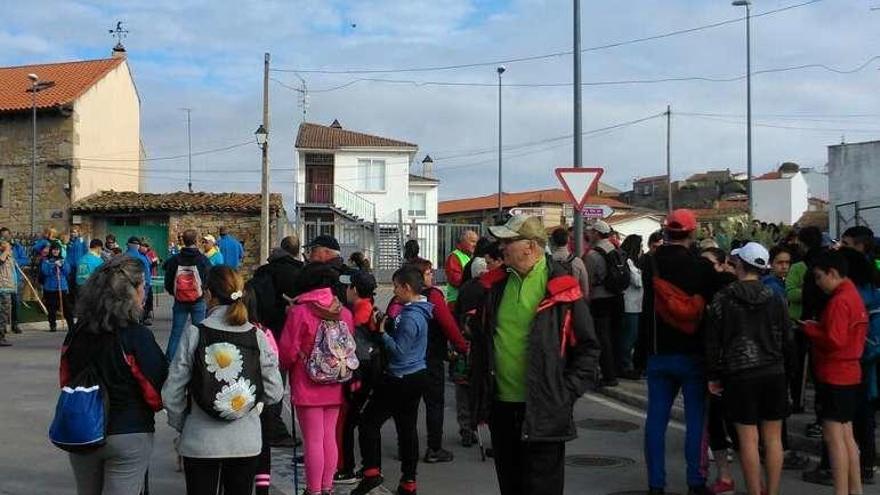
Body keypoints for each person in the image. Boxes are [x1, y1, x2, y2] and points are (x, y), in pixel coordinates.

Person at [470, 215, 600, 495]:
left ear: (530, 246)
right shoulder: (495, 286)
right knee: (511, 487)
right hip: (501, 408)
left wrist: (564, 393)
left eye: (508, 241)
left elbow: (588, 349)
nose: (501, 247)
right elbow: (482, 341)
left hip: (544, 410)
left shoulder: (562, 286)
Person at [162, 265, 284, 495]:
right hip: (244, 440)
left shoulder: (195, 333)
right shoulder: (256, 335)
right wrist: (250, 407)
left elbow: (172, 391)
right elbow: (275, 391)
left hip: (201, 438)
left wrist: (183, 423)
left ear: (208, 294)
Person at [62, 256, 168, 495]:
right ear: (131, 293)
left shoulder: (77, 333)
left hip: (83, 428)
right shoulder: (136, 335)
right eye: (142, 287)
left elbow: (66, 379)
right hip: (127, 430)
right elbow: (156, 391)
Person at [641, 209, 720, 495]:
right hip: (693, 352)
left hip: (657, 351)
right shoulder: (701, 267)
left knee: (656, 419)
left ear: (665, 232)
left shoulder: (649, 262)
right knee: (696, 420)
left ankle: (656, 484)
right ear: (692, 232)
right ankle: (695, 482)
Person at [705, 242, 793, 495]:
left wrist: (713, 375)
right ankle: (773, 491)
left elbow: (713, 341)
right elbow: (787, 339)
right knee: (774, 440)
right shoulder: (775, 298)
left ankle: (755, 491)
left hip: (740, 374)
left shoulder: (724, 297)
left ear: (740, 265)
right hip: (774, 371)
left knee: (748, 441)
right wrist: (790, 372)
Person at [351, 266, 432, 495]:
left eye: (396, 287)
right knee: (407, 428)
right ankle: (409, 482)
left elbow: (399, 350)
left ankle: (372, 472)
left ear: (407, 287)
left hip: (400, 376)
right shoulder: (422, 311)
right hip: (416, 373)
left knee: (368, 422)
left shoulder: (410, 317)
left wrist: (382, 332)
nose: (394, 291)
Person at [278, 263, 354, 495]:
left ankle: (313, 490)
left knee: (312, 440)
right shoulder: (343, 312)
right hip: (335, 380)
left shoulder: (300, 311)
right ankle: (327, 487)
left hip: (307, 382)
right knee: (329, 437)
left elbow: (287, 351)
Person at [800, 250, 867, 495]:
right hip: (850, 372)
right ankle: (855, 489)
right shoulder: (853, 295)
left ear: (832, 273)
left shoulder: (840, 300)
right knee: (847, 435)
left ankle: (841, 490)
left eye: (819, 277)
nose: (818, 283)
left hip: (835, 372)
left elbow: (835, 339)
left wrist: (811, 330)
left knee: (834, 438)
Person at [405, 257, 469, 463]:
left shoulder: (402, 296)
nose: (432, 275)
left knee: (409, 405)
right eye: (428, 272)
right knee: (434, 403)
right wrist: (461, 346)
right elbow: (448, 324)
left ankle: (406, 446)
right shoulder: (433, 296)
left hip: (407, 358)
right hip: (431, 356)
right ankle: (434, 447)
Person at [250, 235, 304, 448]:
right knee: (281, 384)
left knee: (270, 380)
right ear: (296, 250)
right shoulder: (299, 273)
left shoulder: (264, 271)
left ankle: (266, 423)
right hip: (289, 334)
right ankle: (274, 428)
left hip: (266, 332)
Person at [453, 240, 504, 448]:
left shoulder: (465, 289)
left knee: (463, 387)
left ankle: (467, 428)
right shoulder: (492, 289)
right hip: (484, 345)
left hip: (465, 343)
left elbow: (456, 315)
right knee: (486, 387)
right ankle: (489, 427)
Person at [336, 270, 379, 484]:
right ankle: (368, 466)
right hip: (369, 373)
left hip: (359, 373)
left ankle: (346, 467)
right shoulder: (368, 309)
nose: (346, 290)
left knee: (348, 422)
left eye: (349, 286)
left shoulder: (357, 315)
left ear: (354, 289)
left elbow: (355, 349)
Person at [584, 219, 626, 386]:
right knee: (616, 335)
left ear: (596, 233)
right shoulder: (617, 249)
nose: (588, 234)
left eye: (591, 231)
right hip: (618, 296)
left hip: (600, 298)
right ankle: (617, 368)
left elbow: (588, 279)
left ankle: (608, 376)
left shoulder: (593, 255)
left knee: (602, 337)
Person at [163, 229, 212, 361]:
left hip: (180, 300)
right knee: (200, 332)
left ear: (183, 241)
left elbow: (167, 279)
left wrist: (173, 292)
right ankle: (201, 360)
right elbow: (209, 278)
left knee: (176, 332)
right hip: (198, 300)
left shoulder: (174, 260)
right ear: (196, 241)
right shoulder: (203, 260)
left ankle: (169, 361)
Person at [619, 234, 644, 379]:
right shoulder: (628, 262)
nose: (642, 249)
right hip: (629, 305)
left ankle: (626, 364)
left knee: (631, 336)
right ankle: (625, 366)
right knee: (628, 337)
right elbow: (638, 281)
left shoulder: (634, 262)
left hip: (635, 305)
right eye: (640, 246)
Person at [303, 235, 354, 303]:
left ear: (326, 252)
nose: (310, 254)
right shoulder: (344, 271)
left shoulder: (319, 272)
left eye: (313, 250)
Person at [548, 227, 590, 301]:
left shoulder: (547, 262)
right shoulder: (577, 262)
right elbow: (585, 288)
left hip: (552, 304)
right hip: (573, 303)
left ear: (552, 241)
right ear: (568, 240)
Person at [42, 242, 75, 333]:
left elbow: (67, 271)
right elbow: (45, 272)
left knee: (66, 307)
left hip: (62, 287)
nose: (56, 251)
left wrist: (61, 266)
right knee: (51, 308)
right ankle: (52, 325)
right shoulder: (46, 261)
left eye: (57, 249)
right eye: (54, 249)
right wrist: (53, 265)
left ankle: (71, 325)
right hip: (50, 288)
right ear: (51, 251)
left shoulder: (63, 260)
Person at [0, 228, 27, 335]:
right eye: (3, 236)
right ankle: (3, 327)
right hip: (4, 281)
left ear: (10, 235)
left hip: (16, 278)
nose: (5, 237)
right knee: (4, 305)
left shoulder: (17, 246)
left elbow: (25, 259)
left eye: (7, 235)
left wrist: (15, 260)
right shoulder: (2, 248)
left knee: (16, 302)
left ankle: (15, 324)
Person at [444, 230, 478, 311]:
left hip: (465, 302)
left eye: (476, 242)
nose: (475, 245)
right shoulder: (454, 257)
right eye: (472, 241)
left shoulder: (470, 256)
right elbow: (456, 280)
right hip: (457, 303)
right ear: (463, 242)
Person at [124, 237, 153, 325]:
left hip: (123, 293)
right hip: (138, 293)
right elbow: (147, 280)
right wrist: (145, 296)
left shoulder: (121, 258)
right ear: (138, 246)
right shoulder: (143, 259)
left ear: (127, 245)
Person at [0, 241, 17, 346]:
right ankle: (0, 337)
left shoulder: (9, 256)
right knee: (2, 313)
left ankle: (2, 335)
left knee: (5, 313)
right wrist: (6, 251)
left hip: (8, 287)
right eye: (7, 245)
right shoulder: (3, 255)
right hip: (2, 287)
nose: (10, 247)